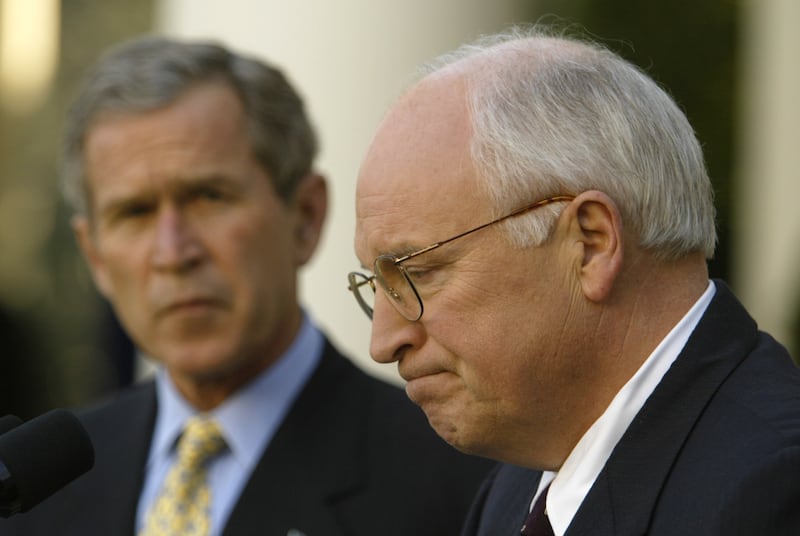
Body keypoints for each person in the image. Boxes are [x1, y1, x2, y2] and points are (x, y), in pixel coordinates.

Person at [0, 35, 492, 536]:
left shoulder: (463, 478)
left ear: (305, 217)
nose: (173, 253)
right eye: (135, 212)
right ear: (95, 257)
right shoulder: (34, 491)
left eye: (209, 197)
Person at [349, 25, 800, 535]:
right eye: (376, 284)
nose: (383, 343)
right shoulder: (518, 488)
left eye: (418, 273)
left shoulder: (772, 492)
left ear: (591, 244)